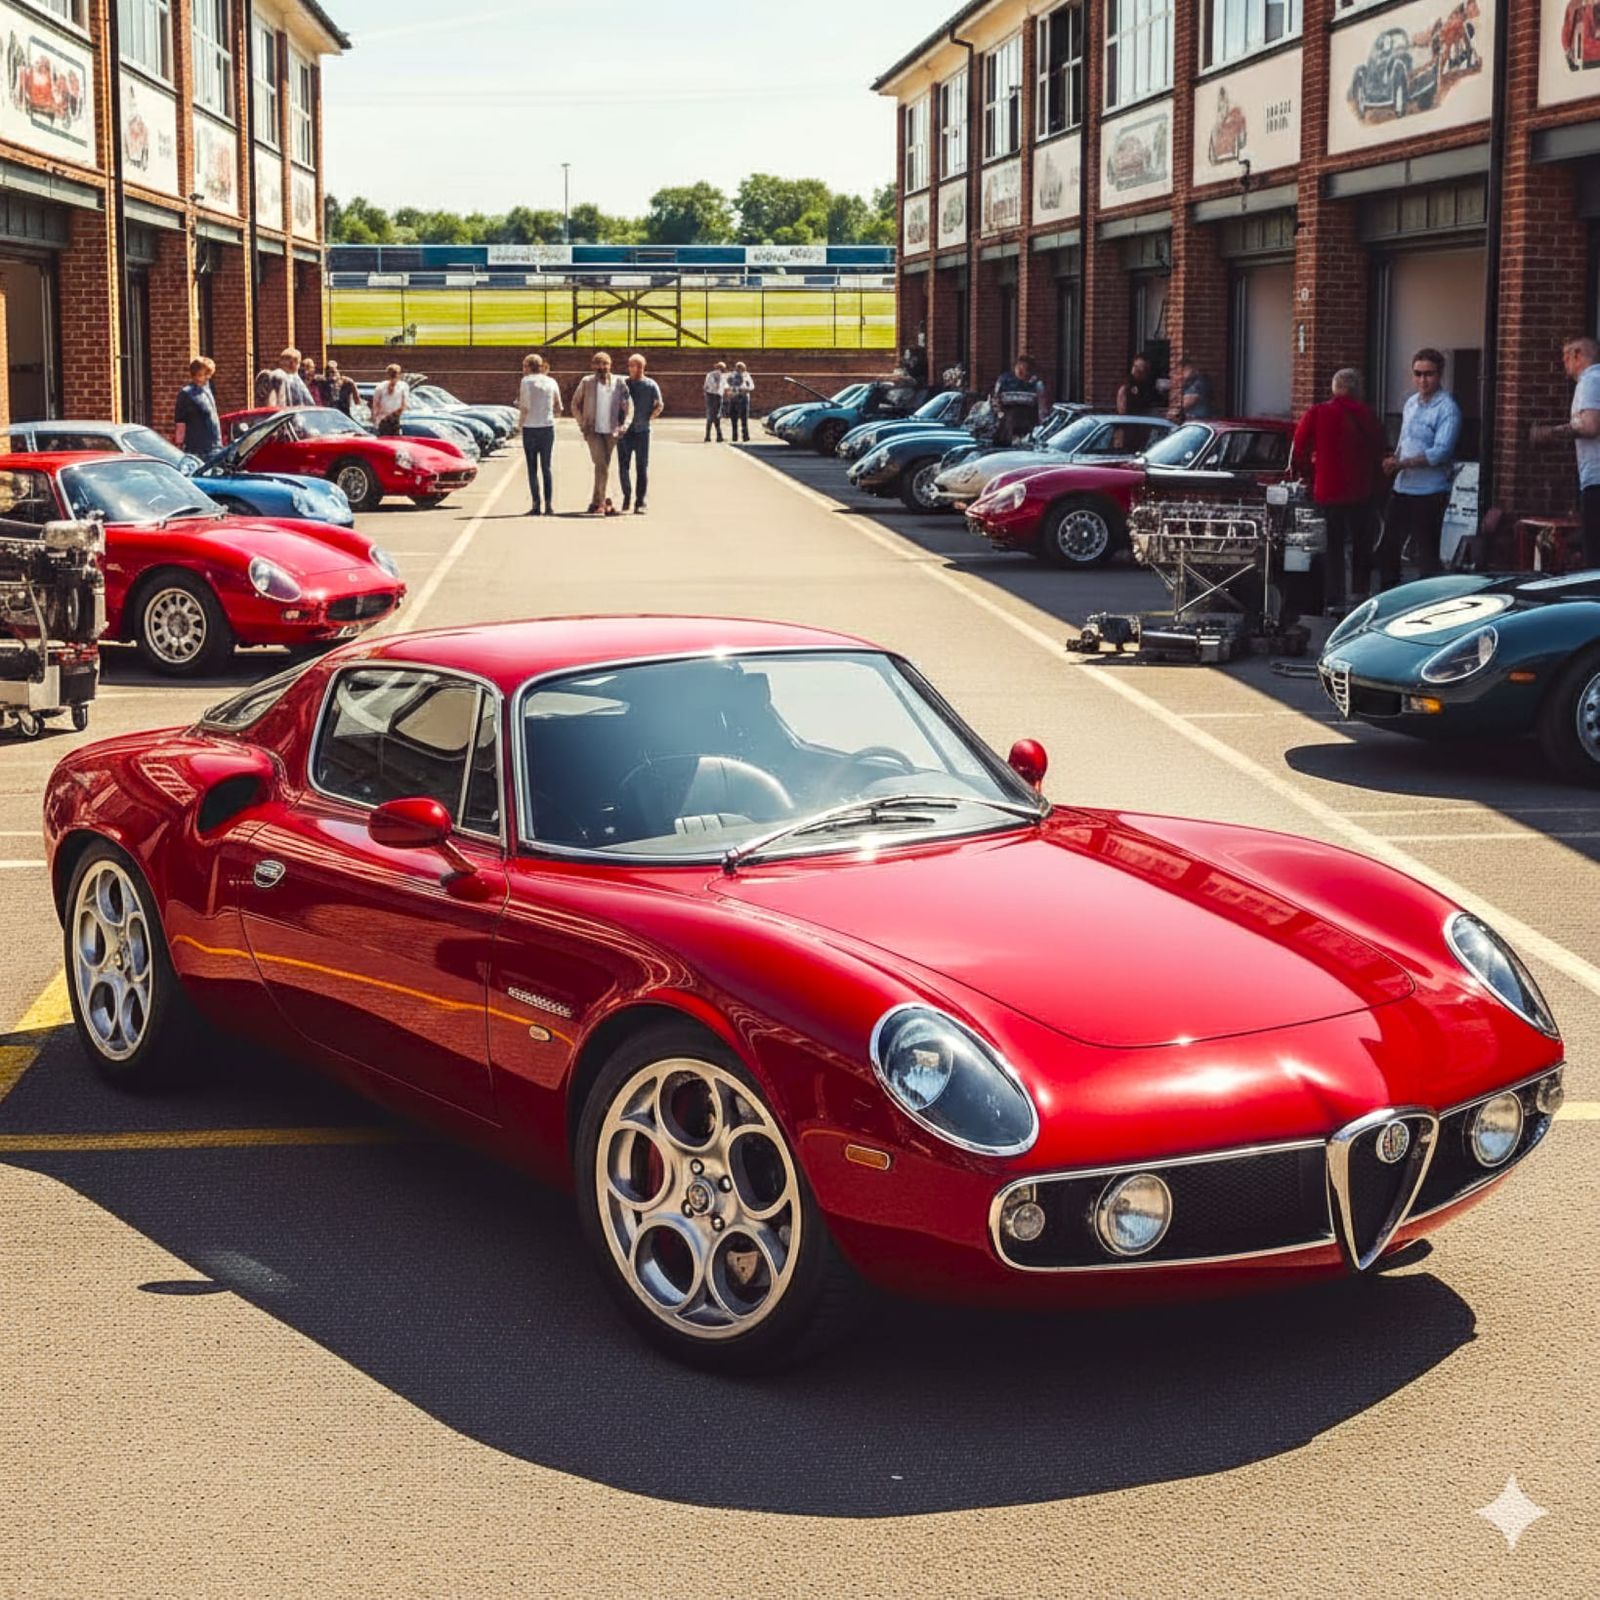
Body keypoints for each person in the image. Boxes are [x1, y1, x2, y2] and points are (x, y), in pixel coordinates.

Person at [1290, 369, 1388, 609]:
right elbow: (1380, 448)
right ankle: (1359, 592)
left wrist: (1309, 472)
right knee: (1361, 543)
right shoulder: (1368, 414)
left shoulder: (1318, 412)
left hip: (1328, 490)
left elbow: (1299, 446)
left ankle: (1334, 596)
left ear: (1334, 388)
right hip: (1361, 491)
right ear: (1357, 390)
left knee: (1332, 545)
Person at [1379, 346, 1462, 587]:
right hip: (1402, 488)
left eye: (1429, 374)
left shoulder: (1447, 409)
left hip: (1429, 491)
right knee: (1388, 548)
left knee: (1426, 553)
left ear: (1440, 375)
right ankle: (1389, 597)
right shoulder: (1411, 403)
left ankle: (1426, 603)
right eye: (1418, 373)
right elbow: (1405, 441)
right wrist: (1394, 459)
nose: (1422, 380)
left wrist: (1403, 464)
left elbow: (1441, 451)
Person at [1531, 336, 1600, 568]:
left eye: (1565, 356)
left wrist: (1551, 432)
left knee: (1594, 553)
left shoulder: (1590, 381)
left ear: (1578, 355)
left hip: (1597, 479)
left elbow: (1590, 426)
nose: (1564, 363)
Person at [573, 350, 632, 514]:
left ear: (610, 365)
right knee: (601, 463)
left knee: (603, 466)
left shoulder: (619, 383)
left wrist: (624, 426)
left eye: (604, 363)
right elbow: (574, 404)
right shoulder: (587, 382)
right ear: (592, 366)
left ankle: (597, 501)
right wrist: (581, 423)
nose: (601, 367)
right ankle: (603, 502)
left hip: (612, 431)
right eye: (597, 363)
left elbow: (628, 407)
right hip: (593, 430)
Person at [516, 352, 563, 516]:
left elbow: (525, 406)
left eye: (524, 366)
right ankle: (549, 504)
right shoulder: (551, 381)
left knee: (532, 467)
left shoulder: (526, 382)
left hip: (530, 427)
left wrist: (519, 425)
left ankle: (536, 503)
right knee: (546, 466)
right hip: (547, 427)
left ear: (528, 367)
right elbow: (559, 406)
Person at [618, 352, 664, 514]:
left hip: (642, 431)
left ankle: (640, 501)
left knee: (641, 467)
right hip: (625, 432)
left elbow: (659, 405)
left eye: (636, 366)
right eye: (630, 365)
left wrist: (649, 418)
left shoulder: (650, 385)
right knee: (623, 466)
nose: (633, 369)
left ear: (643, 367)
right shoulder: (623, 384)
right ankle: (627, 496)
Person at [992, 355, 1048, 445]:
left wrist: (1041, 426)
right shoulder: (1004, 381)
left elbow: (1042, 407)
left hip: (1027, 425)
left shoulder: (1036, 384)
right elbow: (995, 400)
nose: (1024, 372)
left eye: (1027, 369)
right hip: (1007, 425)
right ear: (1016, 367)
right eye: (1020, 368)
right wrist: (998, 415)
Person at [173, 357, 221, 460]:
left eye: (209, 374)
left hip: (214, 446)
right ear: (195, 374)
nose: (207, 377)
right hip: (197, 449)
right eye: (204, 374)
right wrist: (179, 446)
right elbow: (180, 422)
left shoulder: (207, 389)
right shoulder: (186, 394)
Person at [370, 362, 410, 436]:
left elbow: (404, 404)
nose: (394, 375)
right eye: (391, 373)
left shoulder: (403, 386)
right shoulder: (380, 387)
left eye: (395, 373)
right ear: (388, 374)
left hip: (397, 420)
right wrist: (376, 419)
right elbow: (375, 404)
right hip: (382, 420)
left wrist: (392, 416)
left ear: (399, 374)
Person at [724, 361, 754, 443]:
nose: (741, 369)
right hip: (734, 397)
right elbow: (726, 385)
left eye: (742, 368)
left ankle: (745, 436)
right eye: (739, 367)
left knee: (744, 418)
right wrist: (728, 391)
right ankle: (734, 436)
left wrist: (746, 390)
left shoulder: (746, 375)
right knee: (733, 417)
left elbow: (752, 386)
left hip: (743, 397)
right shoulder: (731, 375)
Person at [703, 360, 728, 441]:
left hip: (710, 395)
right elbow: (723, 387)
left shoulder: (710, 374)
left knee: (711, 415)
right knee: (716, 415)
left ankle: (709, 436)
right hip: (716, 396)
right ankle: (718, 436)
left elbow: (706, 386)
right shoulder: (721, 376)